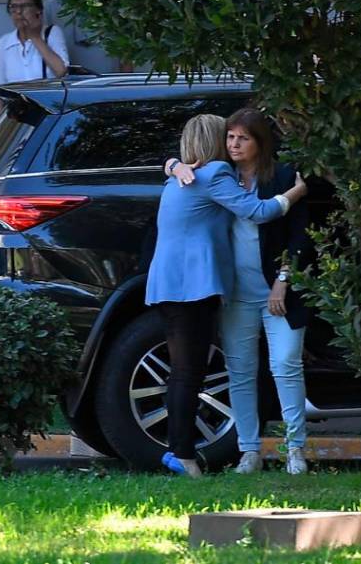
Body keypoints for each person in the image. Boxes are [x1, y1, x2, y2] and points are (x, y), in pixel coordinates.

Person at [145, 114, 307, 477]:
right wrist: (295, 193)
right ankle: (220, 453)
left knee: (280, 366)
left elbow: (298, 235)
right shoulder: (216, 175)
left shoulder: (256, 175)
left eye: (241, 138)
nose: (233, 144)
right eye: (228, 137)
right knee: (214, 371)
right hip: (214, 290)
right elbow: (259, 211)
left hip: (248, 289)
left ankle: (293, 449)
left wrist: (173, 165)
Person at [0, 0, 69, 119]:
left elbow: (61, 70)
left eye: (25, 6)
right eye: (14, 7)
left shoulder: (51, 34)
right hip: (17, 119)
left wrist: (35, 36)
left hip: (47, 115)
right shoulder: (5, 42)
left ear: (38, 10)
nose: (19, 12)